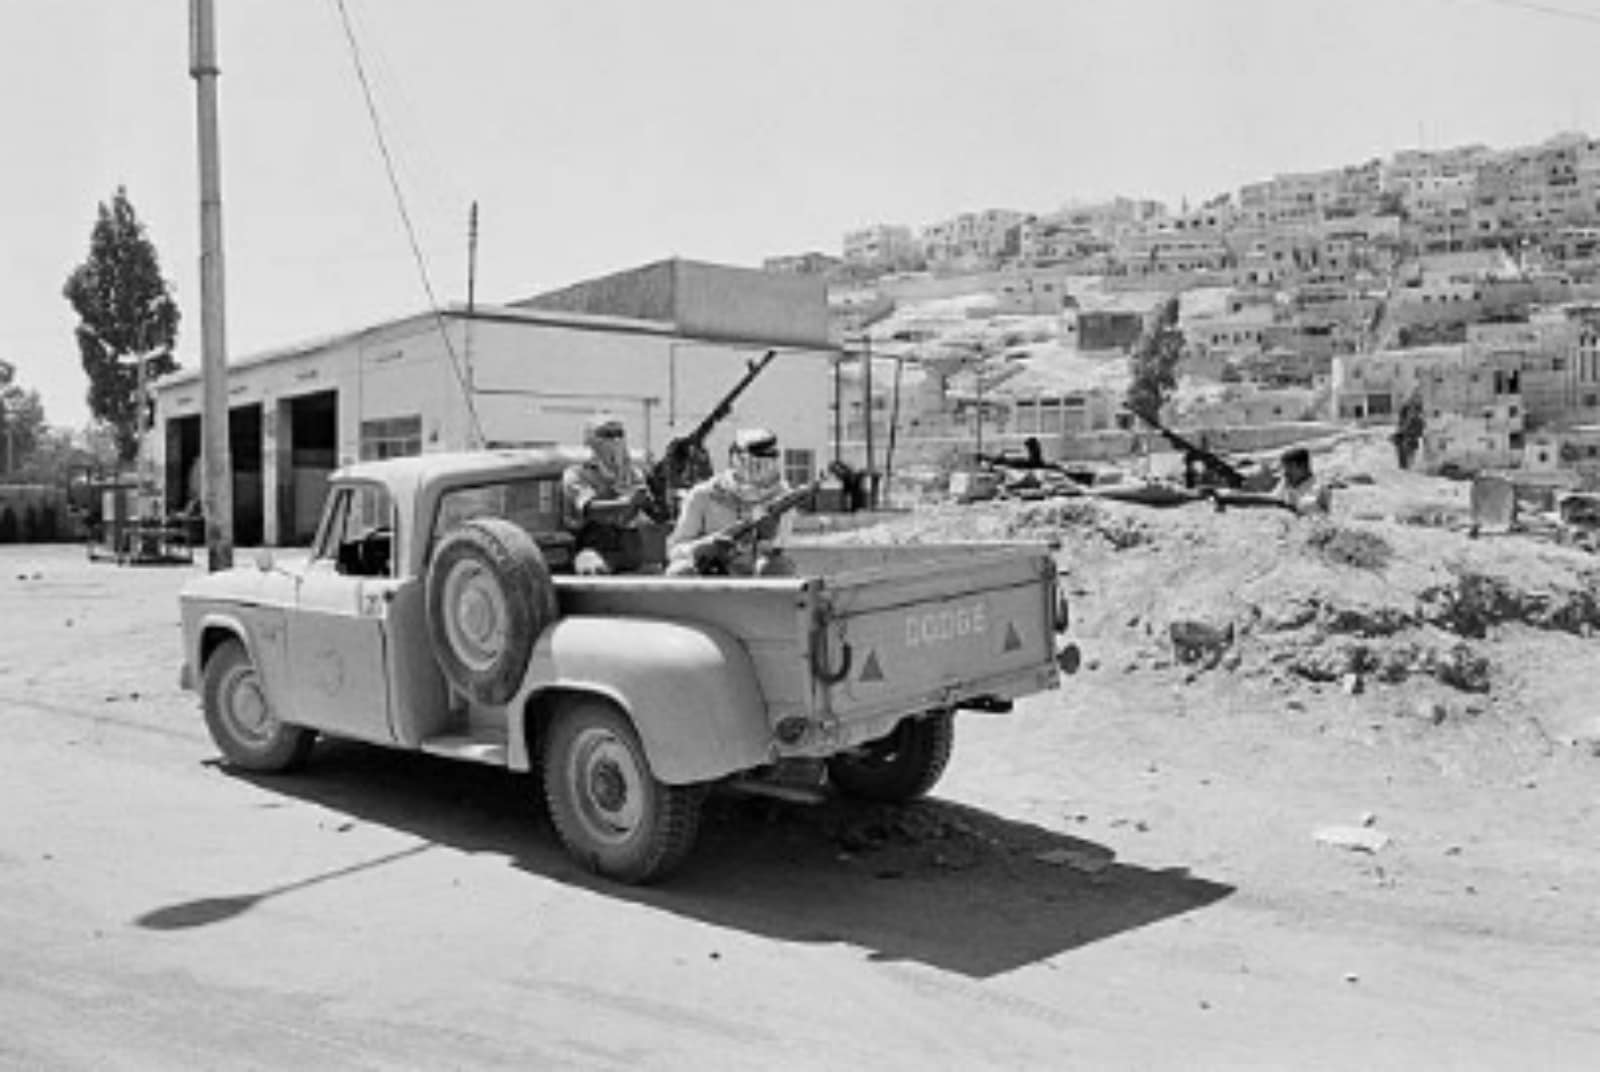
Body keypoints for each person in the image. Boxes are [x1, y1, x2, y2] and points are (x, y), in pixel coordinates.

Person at [666, 427, 795, 576]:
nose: (760, 470)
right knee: (680, 571)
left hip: (753, 579)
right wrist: (704, 547)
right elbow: (674, 551)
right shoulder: (703, 494)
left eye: (767, 463)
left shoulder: (782, 498)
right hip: (708, 573)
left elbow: (776, 551)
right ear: (736, 460)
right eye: (753, 464)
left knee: (779, 567)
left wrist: (766, 539)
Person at [562, 413, 663, 575]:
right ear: (591, 439)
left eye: (619, 434)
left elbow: (653, 513)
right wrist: (628, 502)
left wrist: (654, 499)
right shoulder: (577, 473)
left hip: (631, 546)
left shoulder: (634, 473)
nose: (615, 440)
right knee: (593, 570)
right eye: (607, 435)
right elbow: (590, 509)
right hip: (596, 546)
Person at [1272, 446, 1332, 514]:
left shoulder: (1319, 488)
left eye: (1290, 467)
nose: (1285, 472)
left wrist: (1289, 504)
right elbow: (1273, 498)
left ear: (1302, 466)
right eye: (1285, 468)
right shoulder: (1287, 481)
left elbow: (1312, 507)